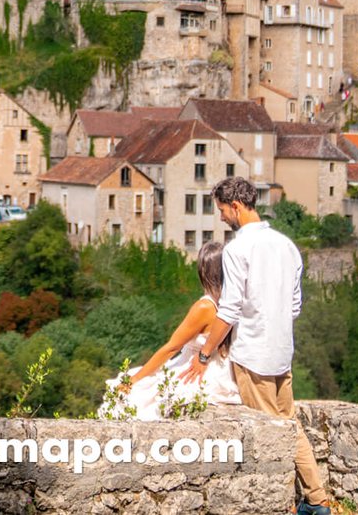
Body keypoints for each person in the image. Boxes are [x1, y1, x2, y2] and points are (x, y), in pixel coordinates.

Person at [180, 176, 330, 515]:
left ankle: (286, 505)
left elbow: (230, 310)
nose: (220, 217)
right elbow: (294, 307)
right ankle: (317, 500)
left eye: (221, 210)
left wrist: (204, 355)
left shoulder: (237, 250)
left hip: (253, 355)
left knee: (268, 437)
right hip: (281, 352)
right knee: (289, 425)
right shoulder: (286, 246)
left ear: (235, 207)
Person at [97, 241, 241, 420]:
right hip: (222, 370)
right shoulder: (235, 302)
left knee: (137, 393)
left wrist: (134, 380)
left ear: (204, 273)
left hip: (194, 368)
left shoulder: (204, 307)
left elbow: (171, 348)